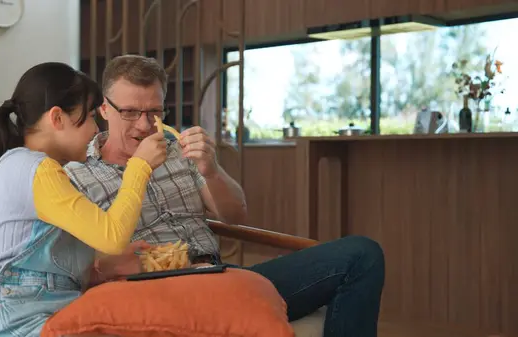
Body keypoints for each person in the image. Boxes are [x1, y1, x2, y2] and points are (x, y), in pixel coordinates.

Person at [64, 55, 385, 337]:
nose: (145, 125)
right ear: (105, 109)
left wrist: (211, 170)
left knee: (361, 254)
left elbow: (236, 215)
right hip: (159, 292)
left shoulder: (179, 152)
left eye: (155, 112)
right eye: (131, 112)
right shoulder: (77, 175)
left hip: (220, 274)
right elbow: (82, 264)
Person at [0, 62, 167, 337]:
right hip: (20, 324)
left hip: (28, 316)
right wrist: (140, 167)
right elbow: (112, 235)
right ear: (57, 118)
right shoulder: (37, 170)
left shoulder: (21, 166)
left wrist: (102, 266)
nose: (93, 129)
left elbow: (41, 262)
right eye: (89, 116)